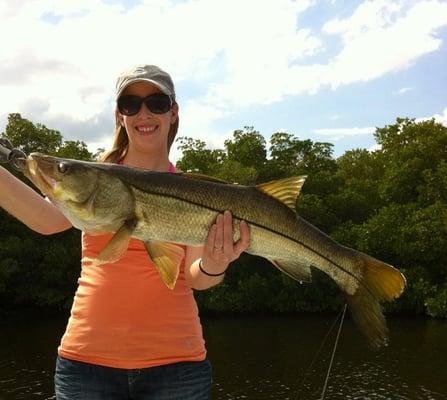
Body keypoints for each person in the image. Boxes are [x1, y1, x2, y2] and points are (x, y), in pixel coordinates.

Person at [0, 64, 250, 399]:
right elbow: (46, 219)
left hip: (177, 369)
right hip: (86, 366)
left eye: (156, 103)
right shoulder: (92, 179)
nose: (143, 113)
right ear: (120, 116)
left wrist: (216, 263)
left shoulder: (194, 190)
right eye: (131, 104)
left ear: (173, 113)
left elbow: (195, 277)